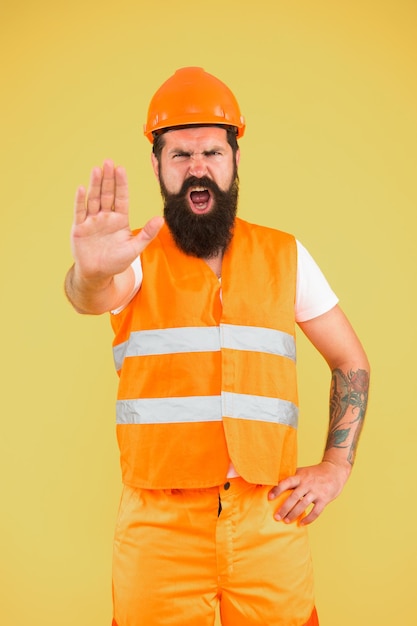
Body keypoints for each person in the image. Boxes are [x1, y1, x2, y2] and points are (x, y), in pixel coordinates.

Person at [64, 67, 370, 626]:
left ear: (234, 161)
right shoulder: (131, 256)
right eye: (180, 155)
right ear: (157, 165)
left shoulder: (285, 255)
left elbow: (350, 361)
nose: (197, 167)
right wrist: (86, 274)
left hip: (267, 519)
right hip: (158, 527)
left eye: (212, 151)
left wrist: (336, 465)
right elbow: (89, 294)